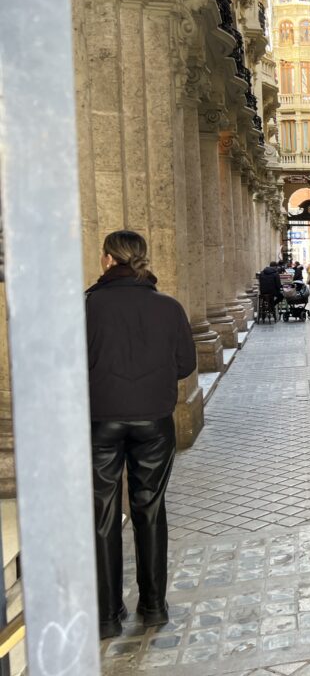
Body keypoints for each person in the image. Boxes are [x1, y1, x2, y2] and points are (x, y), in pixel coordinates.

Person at [86, 230, 196, 639]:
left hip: (99, 420)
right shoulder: (168, 307)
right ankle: (152, 607)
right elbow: (185, 364)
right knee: (150, 509)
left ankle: (107, 615)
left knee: (102, 513)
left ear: (107, 260)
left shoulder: (86, 306)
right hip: (153, 421)